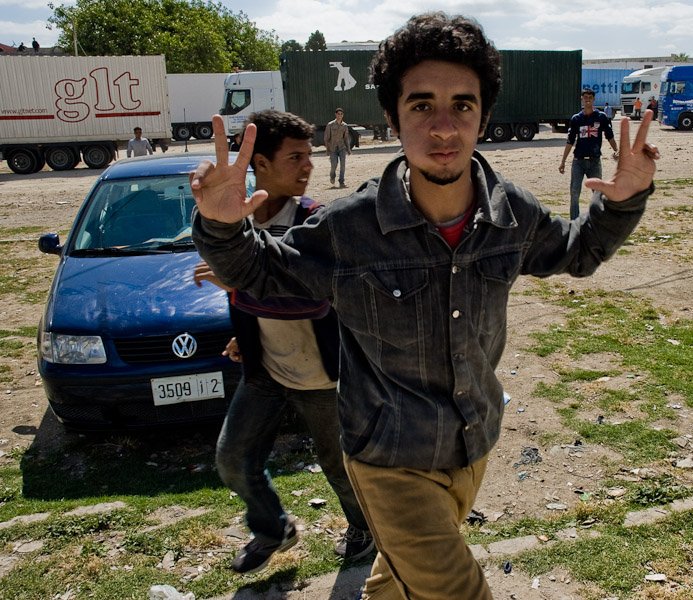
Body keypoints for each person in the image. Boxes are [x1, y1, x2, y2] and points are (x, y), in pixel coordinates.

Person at [190, 12, 658, 599]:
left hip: (473, 443)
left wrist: (623, 202)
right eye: (421, 106)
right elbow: (258, 269)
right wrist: (220, 226)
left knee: (400, 578)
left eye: (463, 105)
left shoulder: (510, 211)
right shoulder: (350, 228)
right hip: (389, 457)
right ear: (392, 117)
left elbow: (578, 251)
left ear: (484, 115)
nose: (444, 127)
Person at [193, 110, 373, 575]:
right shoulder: (238, 220)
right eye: (295, 157)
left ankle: (363, 528)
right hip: (265, 370)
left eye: (309, 155)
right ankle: (273, 528)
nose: (308, 166)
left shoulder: (315, 219)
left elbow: (311, 301)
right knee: (232, 459)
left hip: (322, 375)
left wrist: (235, 286)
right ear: (260, 163)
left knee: (338, 466)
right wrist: (244, 326)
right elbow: (251, 285)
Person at [559, 87, 619, 218]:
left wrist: (616, 150)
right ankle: (574, 221)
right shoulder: (576, 119)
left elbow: (609, 136)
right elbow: (570, 141)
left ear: (594, 99)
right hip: (578, 161)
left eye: (590, 98)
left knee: (597, 193)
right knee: (574, 192)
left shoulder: (601, 117)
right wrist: (563, 161)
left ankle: (600, 220)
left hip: (594, 161)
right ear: (582, 99)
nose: (587, 100)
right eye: (585, 98)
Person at [324, 107, 352, 187]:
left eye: (341, 114)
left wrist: (348, 149)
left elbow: (346, 138)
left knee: (342, 165)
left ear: (343, 115)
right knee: (334, 165)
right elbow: (326, 138)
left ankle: (341, 181)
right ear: (335, 114)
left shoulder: (344, 126)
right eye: (338, 114)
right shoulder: (330, 125)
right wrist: (327, 149)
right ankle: (332, 176)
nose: (339, 115)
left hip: (342, 148)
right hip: (333, 148)